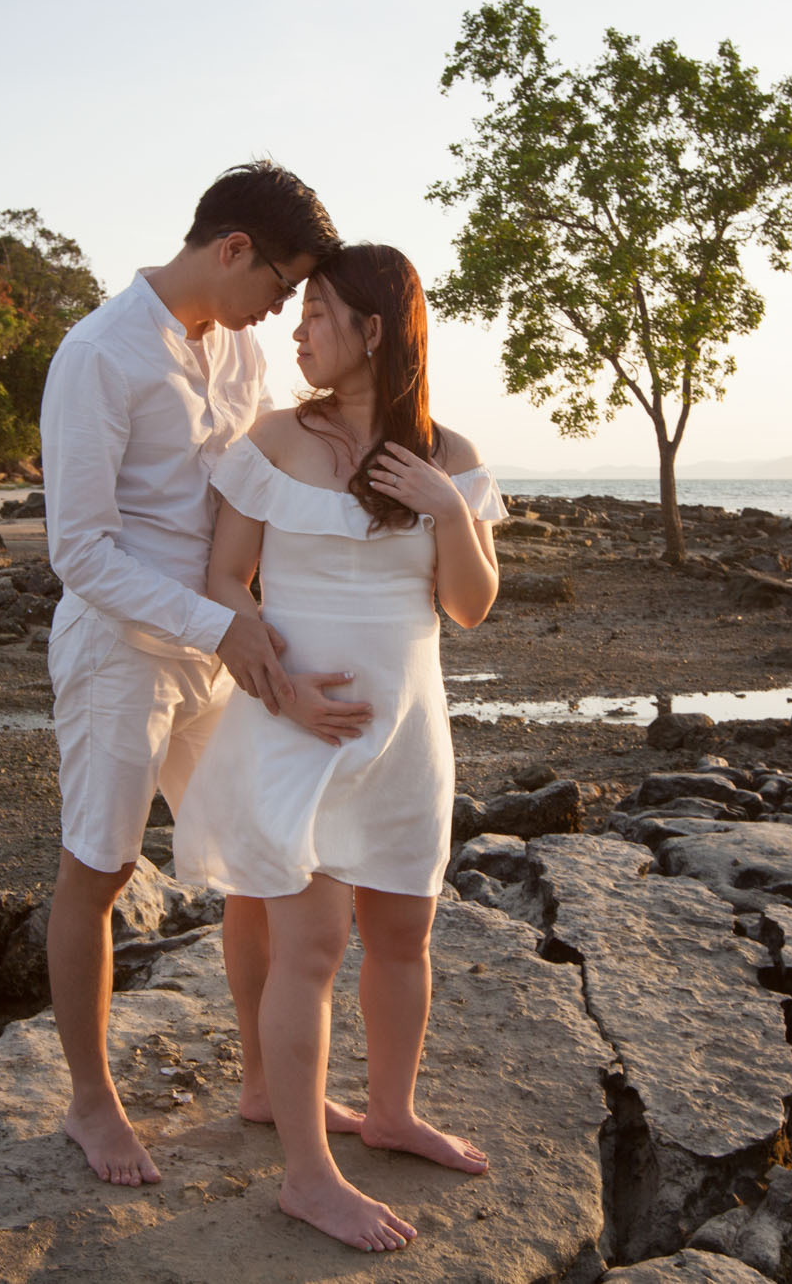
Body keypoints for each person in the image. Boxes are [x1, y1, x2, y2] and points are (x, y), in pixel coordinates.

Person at [39, 161, 371, 1188]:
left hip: (221, 645)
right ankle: (90, 1104)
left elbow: (250, 491)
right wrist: (220, 627)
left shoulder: (236, 348)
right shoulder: (98, 354)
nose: (282, 309)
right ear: (233, 248)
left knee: (259, 861)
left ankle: (267, 1083)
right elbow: (79, 550)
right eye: (281, 284)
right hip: (120, 653)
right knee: (98, 870)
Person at [174, 243, 505, 1250]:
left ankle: (392, 1112)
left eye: (317, 311)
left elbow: (470, 606)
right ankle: (307, 1176)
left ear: (373, 330)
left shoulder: (447, 454)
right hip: (293, 726)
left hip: (406, 734)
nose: (298, 328)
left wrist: (448, 509)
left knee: (403, 934)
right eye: (300, 308)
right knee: (310, 947)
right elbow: (224, 583)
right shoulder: (274, 439)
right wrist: (282, 691)